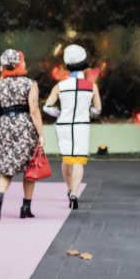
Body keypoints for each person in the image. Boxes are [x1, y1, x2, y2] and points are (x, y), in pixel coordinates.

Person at [43, 44, 102, 209]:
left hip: (64, 126)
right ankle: (75, 194)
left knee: (67, 158)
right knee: (78, 160)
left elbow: (47, 107)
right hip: (81, 125)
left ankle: (69, 189)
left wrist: (60, 114)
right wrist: (88, 110)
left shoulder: (60, 86)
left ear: (68, 65)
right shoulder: (92, 86)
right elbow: (98, 109)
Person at [0, 49, 44, 220]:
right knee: (30, 167)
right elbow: (34, 110)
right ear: (19, 63)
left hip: (6, 124)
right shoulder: (30, 84)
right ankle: (25, 207)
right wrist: (41, 134)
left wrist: (3, 72)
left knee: (7, 168)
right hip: (24, 125)